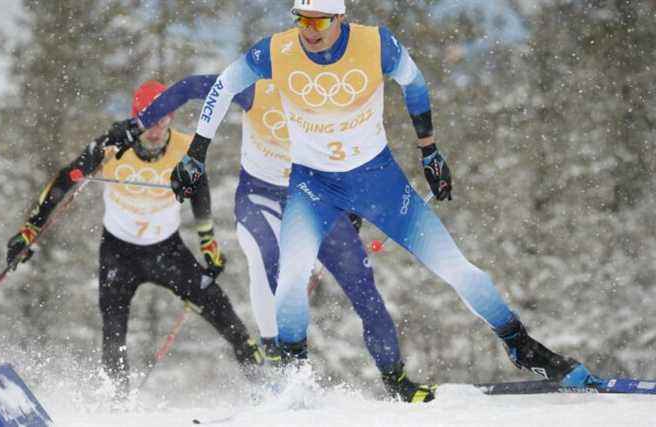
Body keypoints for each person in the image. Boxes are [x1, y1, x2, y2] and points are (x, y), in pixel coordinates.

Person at [160, 0, 600, 402]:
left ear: (340, 19)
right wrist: (196, 152)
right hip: (313, 187)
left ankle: (521, 345)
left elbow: (415, 83)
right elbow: (222, 86)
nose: (308, 30)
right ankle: (294, 376)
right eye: (301, 19)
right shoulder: (277, 51)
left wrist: (429, 150)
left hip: (379, 182)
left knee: (455, 267)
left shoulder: (375, 44)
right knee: (290, 277)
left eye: (318, 21)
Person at [136, 75, 423, 399]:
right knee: (270, 263)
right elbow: (190, 88)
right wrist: (143, 120)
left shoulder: (331, 97)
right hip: (261, 196)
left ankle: (397, 382)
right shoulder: (256, 86)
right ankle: (286, 366)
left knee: (364, 290)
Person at [6, 80, 263, 400]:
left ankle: (264, 382)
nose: (155, 129)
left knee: (219, 308)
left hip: (167, 250)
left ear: (171, 117)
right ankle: (117, 403)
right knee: (114, 332)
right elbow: (63, 181)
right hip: (119, 252)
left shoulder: (185, 147)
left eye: (162, 118)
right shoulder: (112, 147)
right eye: (147, 120)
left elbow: (199, 190)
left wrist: (207, 241)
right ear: (135, 118)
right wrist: (29, 231)